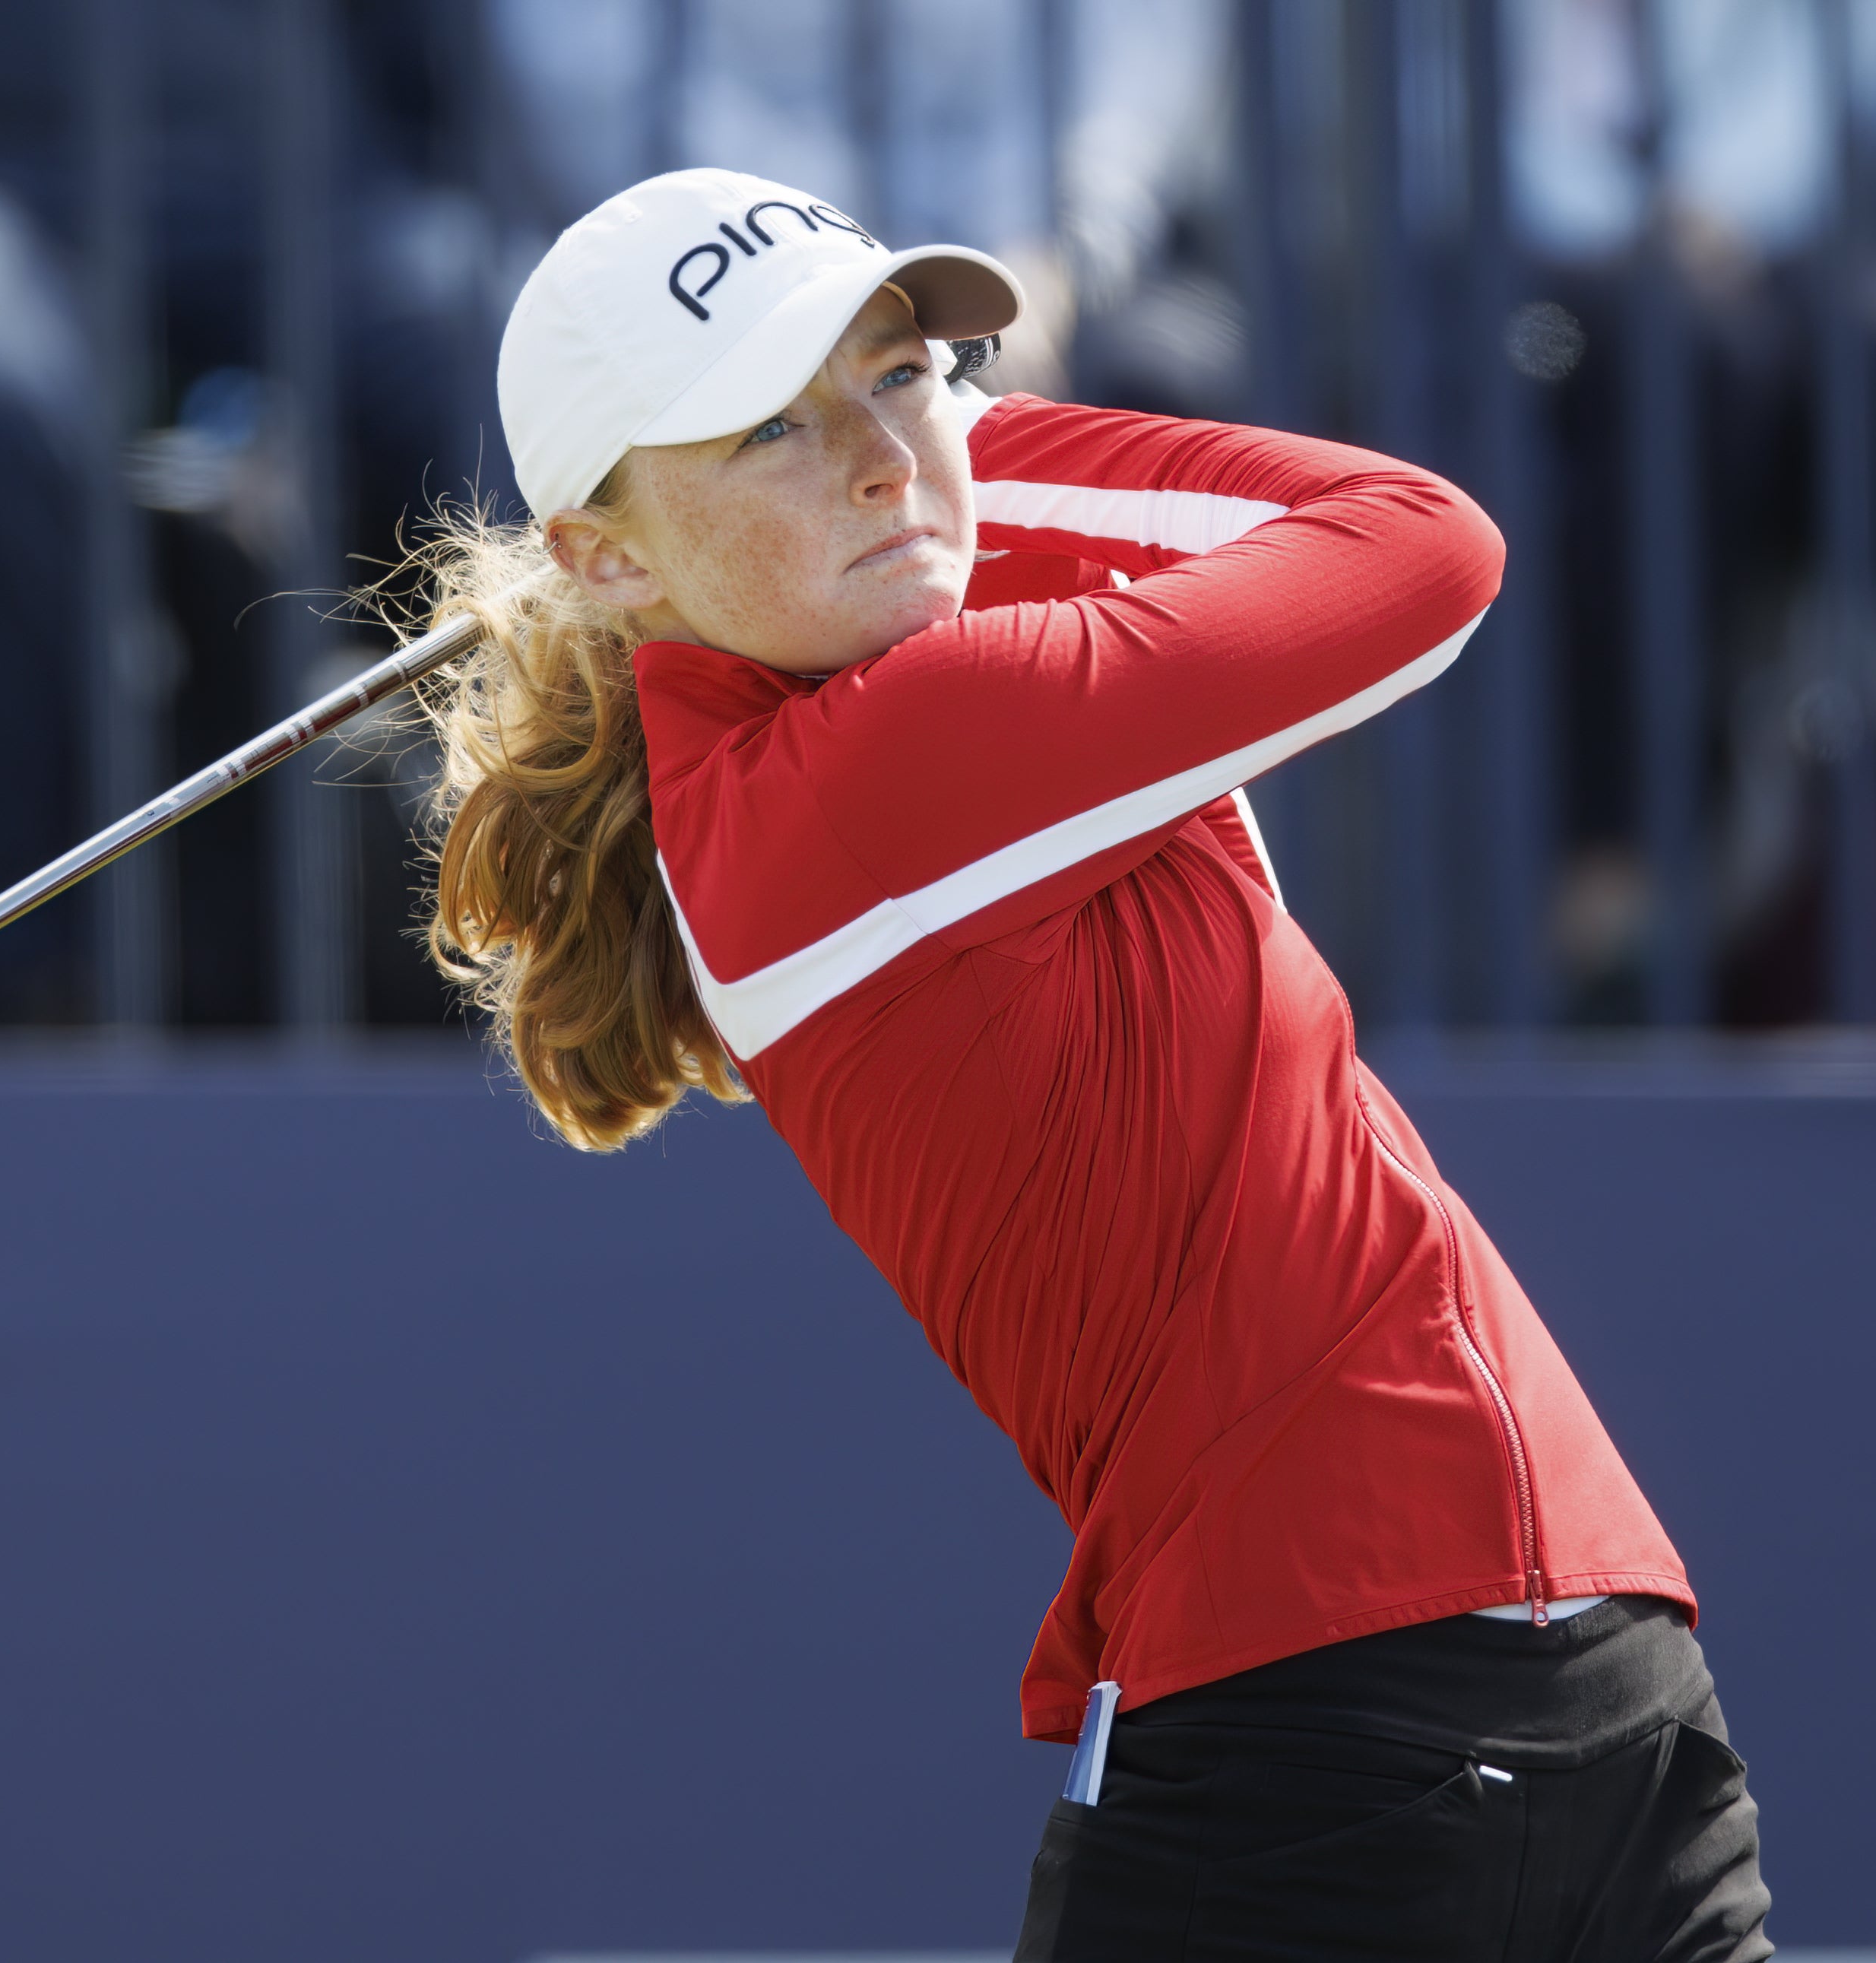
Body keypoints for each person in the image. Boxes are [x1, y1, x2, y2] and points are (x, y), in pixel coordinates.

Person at [417, 168, 1770, 1958]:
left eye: (904, 371)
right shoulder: (881, 767)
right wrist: (967, 439)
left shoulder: (907, 705)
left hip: (1483, 1707)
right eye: (764, 425)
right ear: (600, 551)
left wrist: (897, 463)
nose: (884, 455)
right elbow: (1417, 543)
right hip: (1432, 1728)